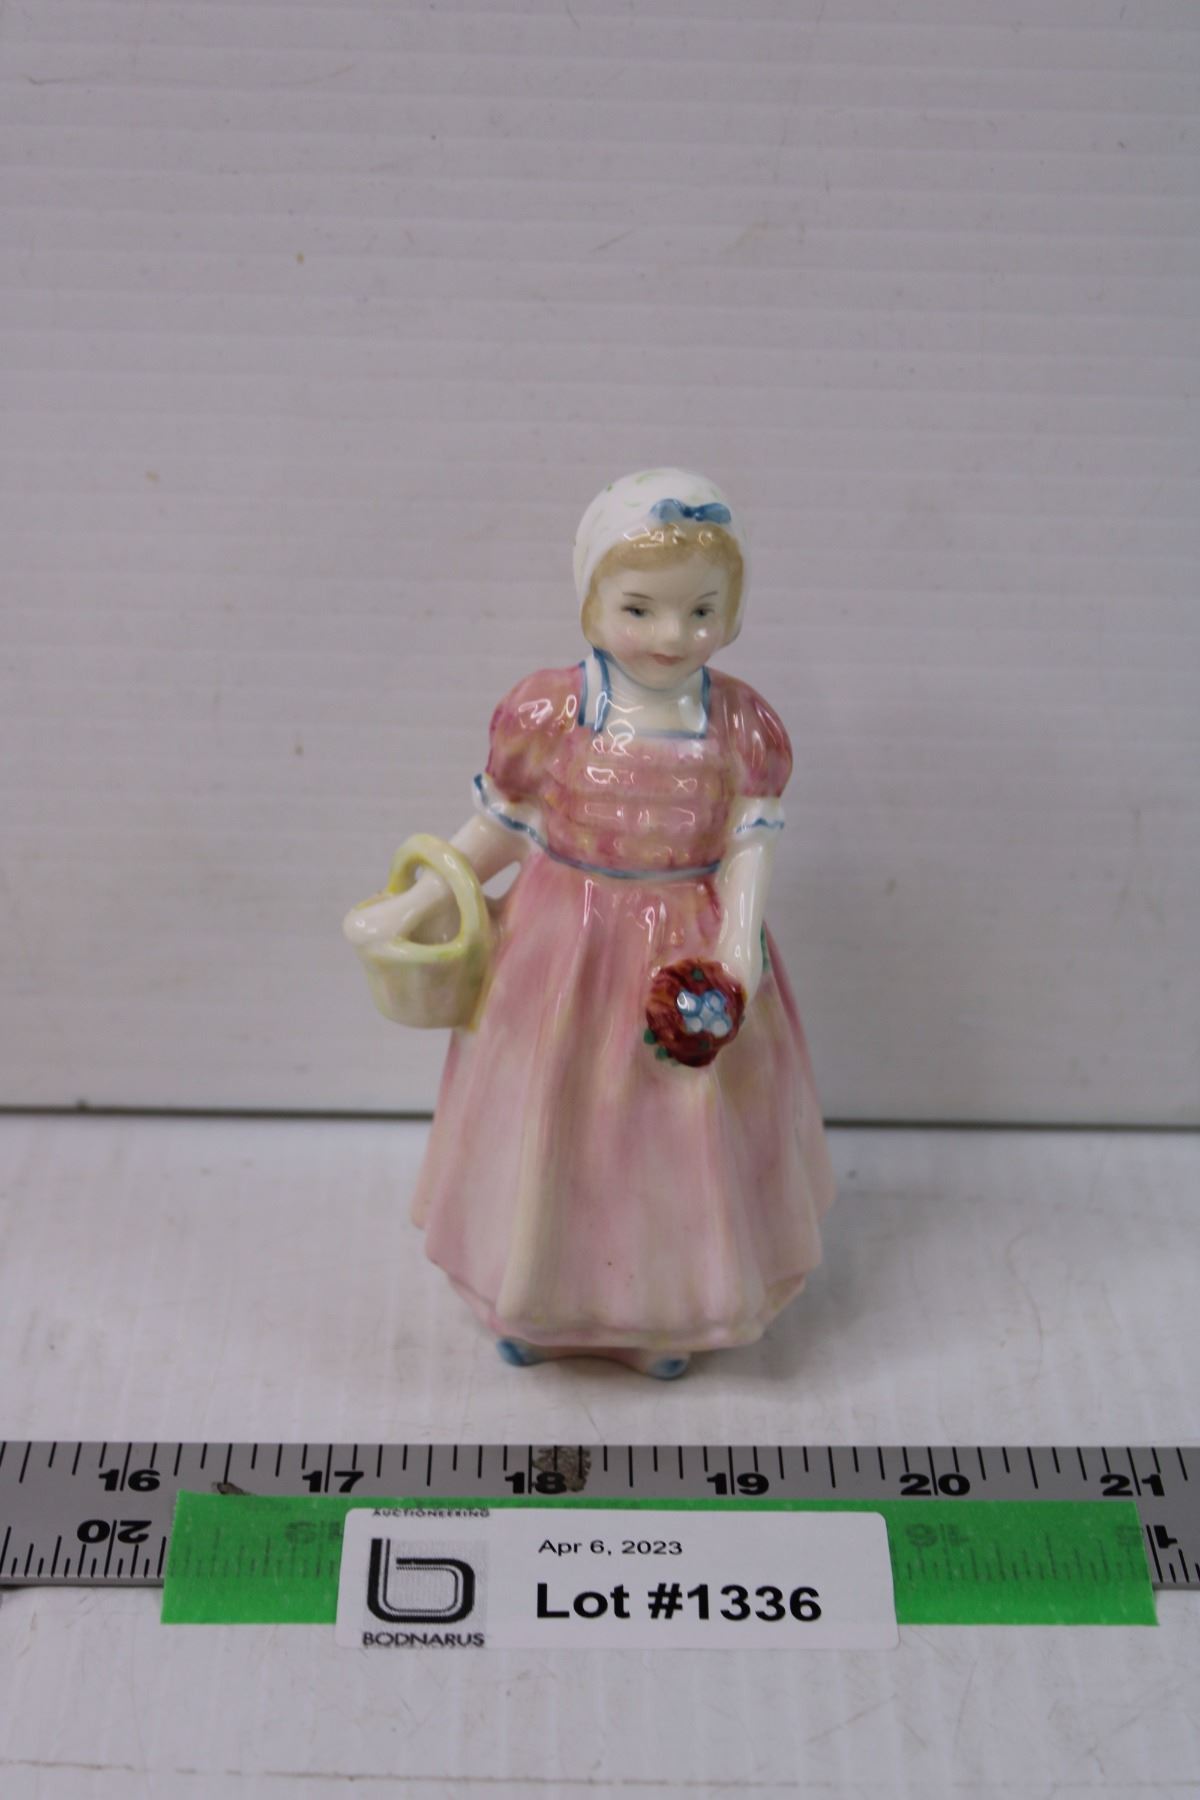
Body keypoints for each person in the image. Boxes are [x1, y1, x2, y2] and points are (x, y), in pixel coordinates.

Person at [345, 468, 835, 1377]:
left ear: (732, 611)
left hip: (685, 955)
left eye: (700, 611)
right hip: (561, 948)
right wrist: (418, 900)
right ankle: (538, 1297)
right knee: (548, 1120)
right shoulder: (553, 710)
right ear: (591, 602)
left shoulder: (739, 724)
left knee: (672, 1132)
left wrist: (738, 946)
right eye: (640, 609)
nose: (671, 635)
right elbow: (503, 826)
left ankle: (663, 1307)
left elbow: (750, 842)